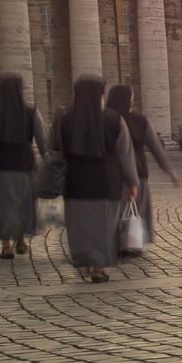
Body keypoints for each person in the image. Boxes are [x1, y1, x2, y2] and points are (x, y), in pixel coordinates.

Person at [52, 76, 139, 284]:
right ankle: (98, 268)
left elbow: (55, 149)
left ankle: (88, 261)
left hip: (75, 182)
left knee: (80, 224)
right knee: (105, 225)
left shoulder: (64, 119)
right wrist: (132, 182)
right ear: (101, 94)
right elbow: (125, 154)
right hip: (107, 183)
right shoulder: (114, 119)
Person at [104, 84, 177, 251]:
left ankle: (114, 241)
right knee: (137, 209)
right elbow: (155, 147)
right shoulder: (139, 120)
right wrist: (168, 169)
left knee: (114, 210)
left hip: (111, 173)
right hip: (137, 173)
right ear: (128, 99)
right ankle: (132, 242)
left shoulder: (104, 119)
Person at [0, 75, 45, 260]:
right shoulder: (30, 110)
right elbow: (42, 138)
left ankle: (6, 245)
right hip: (23, 165)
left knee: (2, 204)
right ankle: (20, 239)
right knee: (22, 203)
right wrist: (47, 157)